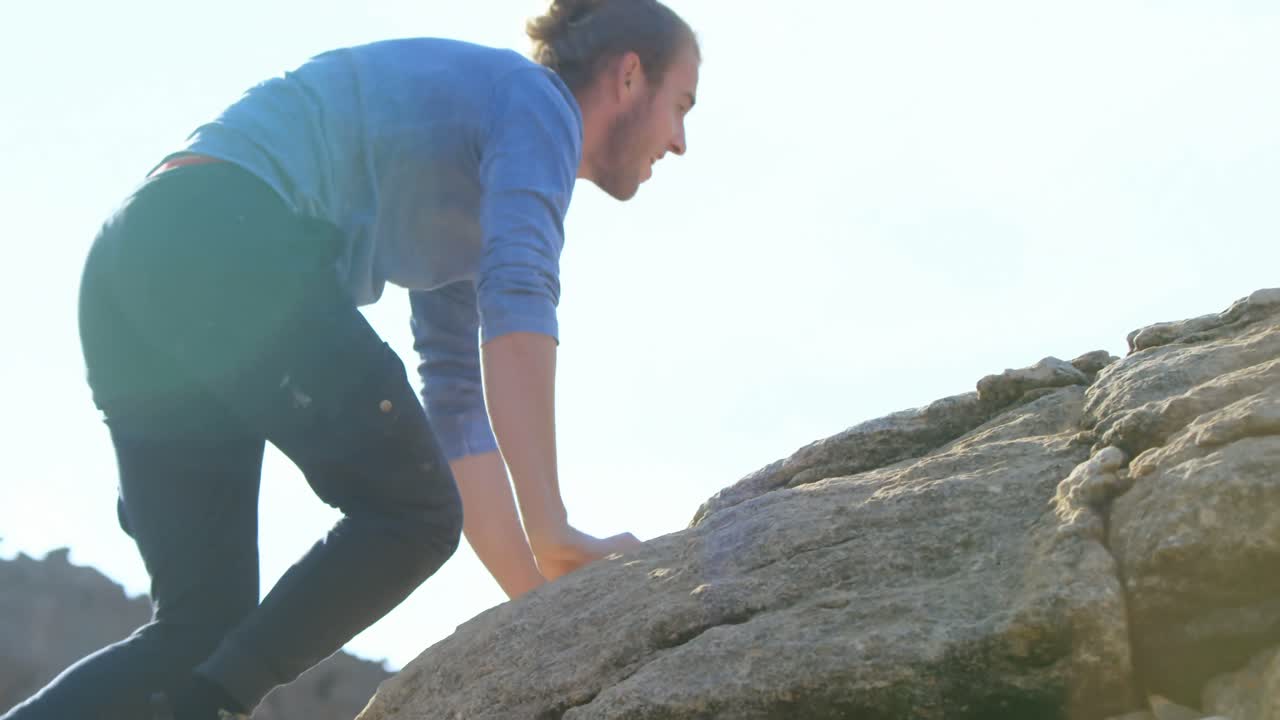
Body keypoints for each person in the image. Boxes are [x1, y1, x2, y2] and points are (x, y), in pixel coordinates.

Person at [1, 0, 700, 717]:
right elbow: (520, 293)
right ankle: (210, 707)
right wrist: (551, 528)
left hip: (135, 264)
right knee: (413, 512)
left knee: (198, 630)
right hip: (218, 237)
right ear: (628, 77)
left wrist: (539, 603)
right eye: (681, 105)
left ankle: (199, 697)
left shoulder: (473, 174)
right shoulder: (538, 104)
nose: (679, 142)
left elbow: (456, 399)